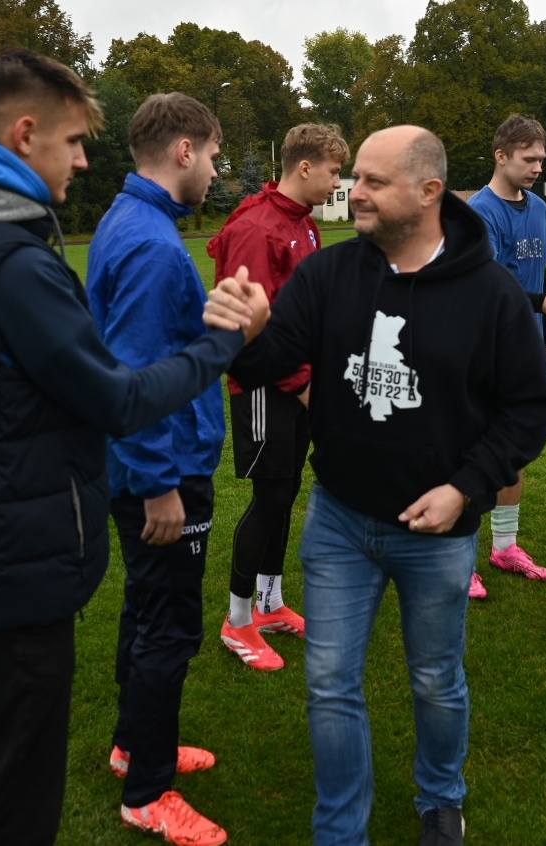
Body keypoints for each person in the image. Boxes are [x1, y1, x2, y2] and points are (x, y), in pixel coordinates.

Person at [0, 52, 258, 846]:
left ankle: (136, 749)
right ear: (25, 135)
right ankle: (145, 783)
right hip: (9, 564)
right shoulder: (5, 263)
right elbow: (118, 393)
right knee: (12, 803)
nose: (86, 159)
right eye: (72, 141)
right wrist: (224, 341)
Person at [218, 125, 546, 846]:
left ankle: (441, 797)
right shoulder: (331, 274)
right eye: (355, 179)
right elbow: (270, 362)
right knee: (330, 683)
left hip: (435, 534)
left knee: (436, 679)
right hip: (340, 520)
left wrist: (466, 488)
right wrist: (246, 334)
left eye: (372, 181)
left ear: (429, 192)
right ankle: (341, 831)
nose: (354, 192)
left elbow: (529, 410)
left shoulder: (490, 294)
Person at [86, 92, 234, 845]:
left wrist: (210, 312)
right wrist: (160, 486)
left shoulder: (134, 221)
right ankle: (147, 792)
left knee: (146, 611)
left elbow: (152, 342)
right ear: (183, 150)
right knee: (169, 627)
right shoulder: (148, 242)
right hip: (162, 472)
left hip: (155, 463)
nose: (214, 171)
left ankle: (131, 746)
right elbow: (136, 373)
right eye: (212, 155)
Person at [207, 123, 349, 671]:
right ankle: (237, 620)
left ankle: (268, 603)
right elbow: (253, 328)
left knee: (286, 492)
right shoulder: (257, 228)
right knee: (269, 497)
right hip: (266, 385)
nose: (338, 182)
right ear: (306, 166)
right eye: (335, 171)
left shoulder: (303, 224)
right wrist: (303, 384)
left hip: (300, 381)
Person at [465, 114, 546, 599]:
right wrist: (543, 308)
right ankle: (462, 558)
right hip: (485, 349)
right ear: (501, 155)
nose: (537, 167)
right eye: (528, 158)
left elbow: (540, 275)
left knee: (515, 450)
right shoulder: (479, 212)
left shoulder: (537, 206)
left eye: (541, 158)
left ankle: (506, 547)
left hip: (527, 347)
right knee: (475, 451)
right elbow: (484, 288)